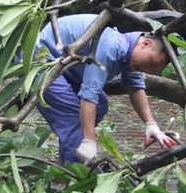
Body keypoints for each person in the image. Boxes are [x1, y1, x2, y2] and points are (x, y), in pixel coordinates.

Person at [32, 15, 175, 165]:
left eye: (151, 70)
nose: (146, 69)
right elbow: (89, 95)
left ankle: (71, 155)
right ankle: (70, 174)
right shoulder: (112, 47)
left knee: (100, 105)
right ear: (146, 43)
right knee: (74, 116)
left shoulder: (128, 51)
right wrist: (89, 140)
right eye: (150, 63)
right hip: (42, 61)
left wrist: (151, 124)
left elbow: (136, 87)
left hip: (66, 67)